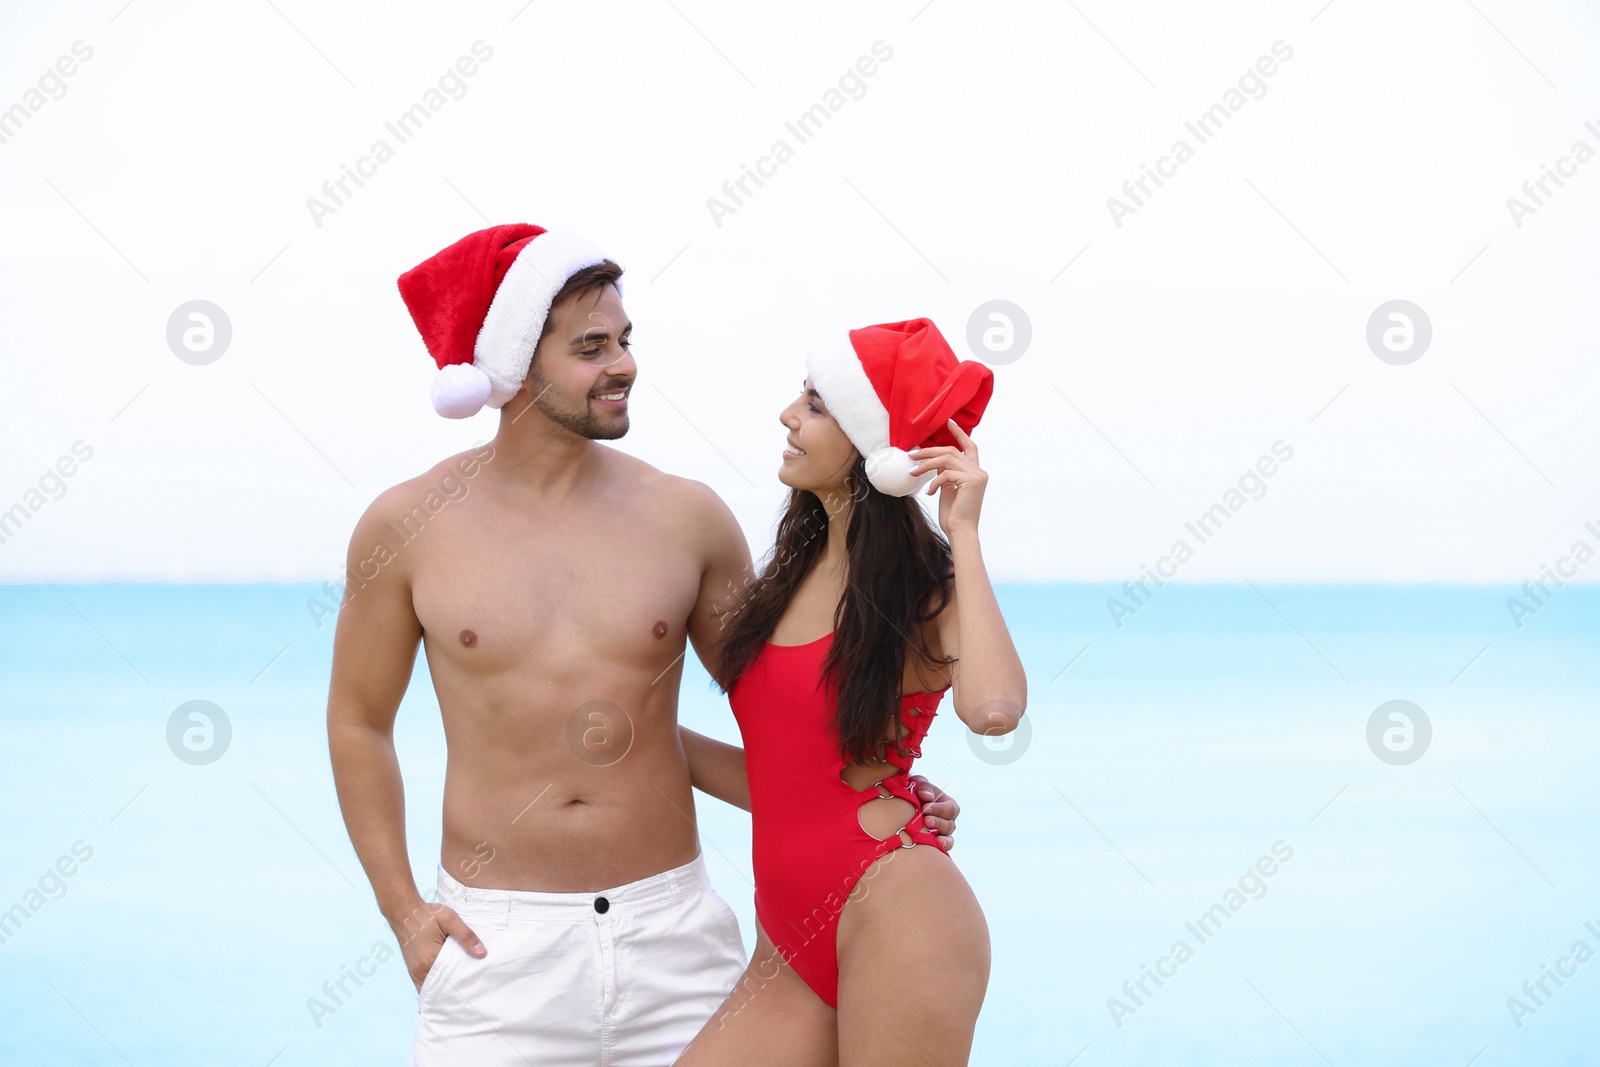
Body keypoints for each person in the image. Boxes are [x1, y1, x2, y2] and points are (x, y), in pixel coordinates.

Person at [325, 223, 963, 1066]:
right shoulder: (407, 525)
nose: (623, 364)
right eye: (592, 347)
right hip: (496, 951)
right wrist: (404, 911)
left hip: (675, 941)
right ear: (515, 366)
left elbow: (786, 718)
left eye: (625, 341)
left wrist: (878, 798)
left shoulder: (686, 519)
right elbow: (358, 722)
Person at [675, 319, 1027, 1066]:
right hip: (788, 938)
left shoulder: (925, 595)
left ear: (877, 449)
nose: (788, 416)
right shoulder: (783, 580)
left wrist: (963, 532)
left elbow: (994, 711)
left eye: (816, 404)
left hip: (900, 909)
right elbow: (786, 779)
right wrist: (633, 738)